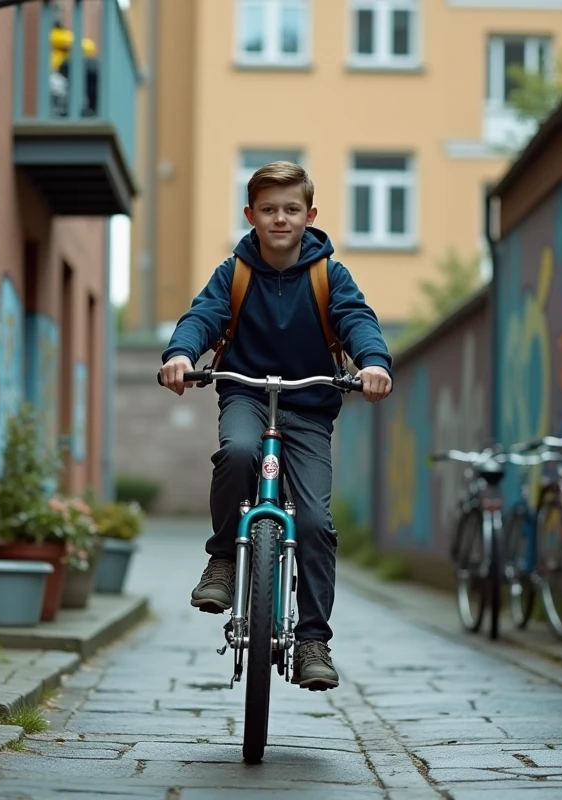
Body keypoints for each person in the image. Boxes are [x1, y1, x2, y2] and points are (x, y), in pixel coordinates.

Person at [158, 161, 393, 691]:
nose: (280, 219)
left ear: (310, 215)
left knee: (313, 521)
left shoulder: (328, 274)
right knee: (238, 452)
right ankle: (222, 558)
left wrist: (373, 363)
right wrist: (181, 353)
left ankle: (313, 639)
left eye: (291, 209)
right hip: (244, 392)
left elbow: (357, 319)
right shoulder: (234, 271)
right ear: (251, 215)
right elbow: (204, 316)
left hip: (309, 407)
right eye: (268, 210)